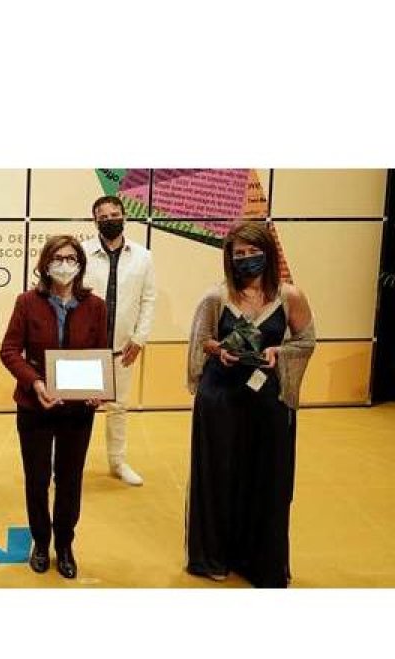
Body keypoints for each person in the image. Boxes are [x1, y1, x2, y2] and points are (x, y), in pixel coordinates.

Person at [185, 221, 315, 588]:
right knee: (218, 475)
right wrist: (220, 350)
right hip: (221, 398)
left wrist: (278, 351)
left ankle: (260, 561)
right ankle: (213, 556)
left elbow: (306, 341)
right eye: (238, 254)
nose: (246, 259)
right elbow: (201, 341)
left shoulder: (290, 296)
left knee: (266, 478)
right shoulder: (216, 296)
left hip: (268, 403)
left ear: (268, 254)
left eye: (252, 252)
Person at [0, 234, 108, 579]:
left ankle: (64, 543)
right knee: (37, 477)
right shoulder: (27, 302)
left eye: (71, 258)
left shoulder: (96, 306)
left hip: (78, 410)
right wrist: (35, 382)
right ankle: (40, 540)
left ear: (80, 264)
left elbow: (100, 355)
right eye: (57, 258)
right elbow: (10, 351)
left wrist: (99, 390)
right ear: (45, 264)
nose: (64, 264)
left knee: (70, 478)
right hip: (35, 405)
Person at [81, 195, 156, 486]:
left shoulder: (143, 256)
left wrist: (139, 338)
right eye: (104, 216)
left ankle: (117, 462)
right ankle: (68, 464)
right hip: (86, 347)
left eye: (115, 214)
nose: (110, 219)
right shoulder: (82, 252)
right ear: (95, 220)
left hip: (123, 346)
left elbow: (148, 299)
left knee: (118, 407)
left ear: (124, 216)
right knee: (79, 408)